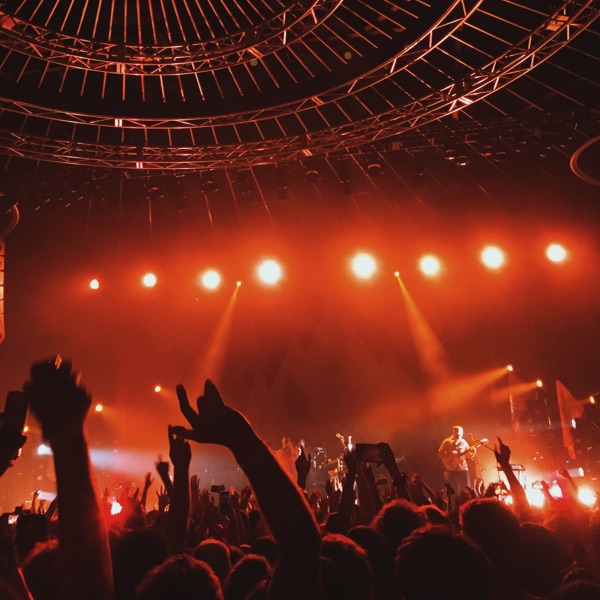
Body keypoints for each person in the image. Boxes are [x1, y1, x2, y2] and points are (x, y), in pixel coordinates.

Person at [438, 425, 473, 493]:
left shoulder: (463, 442)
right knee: (454, 490)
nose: (459, 434)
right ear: (454, 432)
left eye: (460, 433)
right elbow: (439, 454)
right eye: (458, 432)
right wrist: (449, 454)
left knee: (467, 488)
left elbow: (468, 455)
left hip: (463, 468)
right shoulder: (447, 441)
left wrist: (473, 452)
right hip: (452, 468)